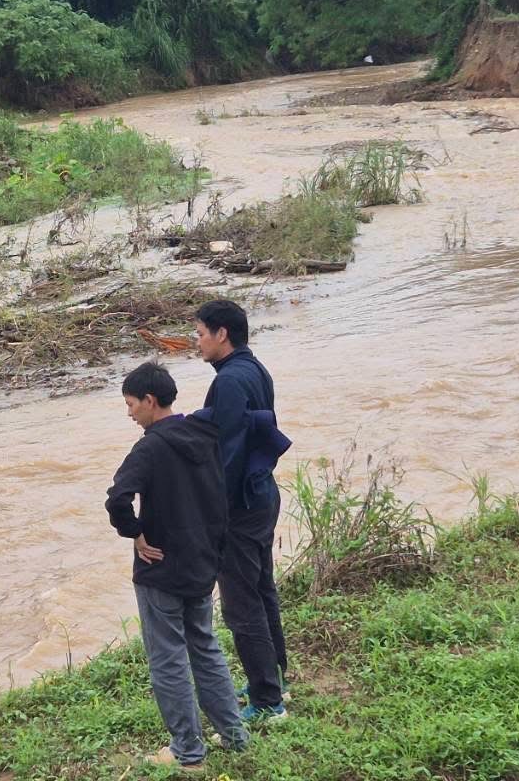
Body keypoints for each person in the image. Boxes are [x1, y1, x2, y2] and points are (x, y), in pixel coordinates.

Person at [105, 361, 248, 770]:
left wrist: (134, 532)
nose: (129, 413)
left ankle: (189, 753)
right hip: (201, 563)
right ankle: (235, 736)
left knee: (168, 659)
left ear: (150, 401)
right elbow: (220, 497)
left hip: (161, 567)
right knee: (205, 646)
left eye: (131, 404)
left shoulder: (149, 447)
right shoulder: (206, 434)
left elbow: (117, 498)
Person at [194, 299, 288, 721]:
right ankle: (273, 678)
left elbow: (228, 455)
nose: (197, 343)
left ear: (221, 334)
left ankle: (267, 701)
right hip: (262, 495)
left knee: (240, 603)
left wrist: (212, 513)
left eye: (199, 334)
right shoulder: (255, 369)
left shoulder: (230, 382)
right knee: (262, 588)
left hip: (240, 506)